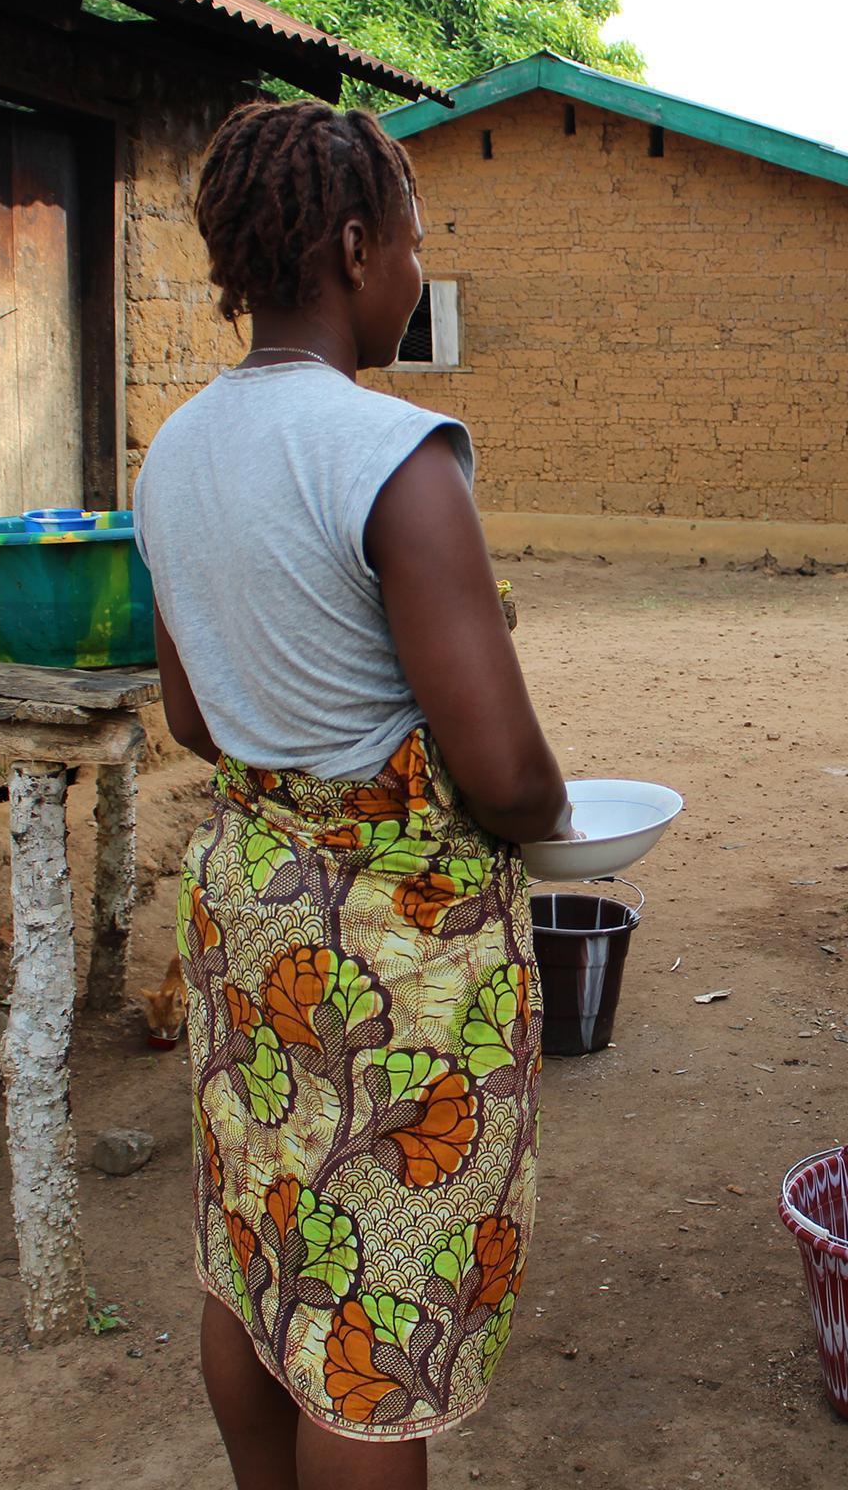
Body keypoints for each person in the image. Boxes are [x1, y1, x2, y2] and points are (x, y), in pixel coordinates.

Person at [133, 99, 575, 1490]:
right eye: (412, 241)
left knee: (262, 1249)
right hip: (402, 946)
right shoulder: (392, 454)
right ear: (350, 243)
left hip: (255, 913)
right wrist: (558, 810)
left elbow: (200, 718)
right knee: (375, 1325)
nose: (415, 269)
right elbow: (502, 773)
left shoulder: (173, 454)